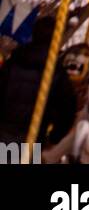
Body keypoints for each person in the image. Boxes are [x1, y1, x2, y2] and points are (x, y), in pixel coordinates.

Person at [0, 15, 77, 146]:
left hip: (4, 131)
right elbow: (67, 108)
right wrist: (55, 136)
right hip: (34, 136)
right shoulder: (56, 71)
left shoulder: (14, 62)